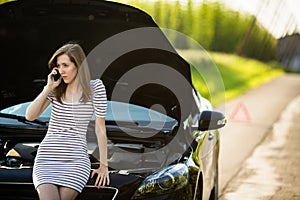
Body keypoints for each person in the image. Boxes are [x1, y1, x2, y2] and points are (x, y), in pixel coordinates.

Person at [25, 42, 109, 200]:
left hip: (76, 160)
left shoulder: (95, 88)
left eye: (65, 65)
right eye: (58, 65)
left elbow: (100, 129)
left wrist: (103, 166)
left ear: (78, 66)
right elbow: (30, 116)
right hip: (47, 159)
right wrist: (48, 87)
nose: (61, 70)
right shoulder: (56, 88)